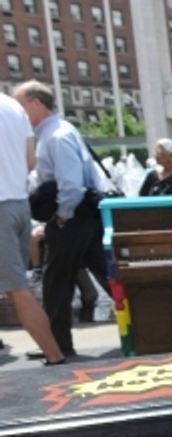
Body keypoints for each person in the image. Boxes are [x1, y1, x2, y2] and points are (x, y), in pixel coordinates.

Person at [15, 80, 110, 360]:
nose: (19, 115)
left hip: (72, 218)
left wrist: (62, 216)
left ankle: (57, 346)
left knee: (57, 283)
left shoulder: (55, 136)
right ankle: (146, 330)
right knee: (108, 276)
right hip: (82, 217)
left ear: (36, 104)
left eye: (21, 106)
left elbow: (71, 184)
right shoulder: (58, 132)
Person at [0, 91, 64, 364]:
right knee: (17, 285)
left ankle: (55, 356)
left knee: (17, 289)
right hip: (18, 202)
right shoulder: (13, 106)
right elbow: (30, 161)